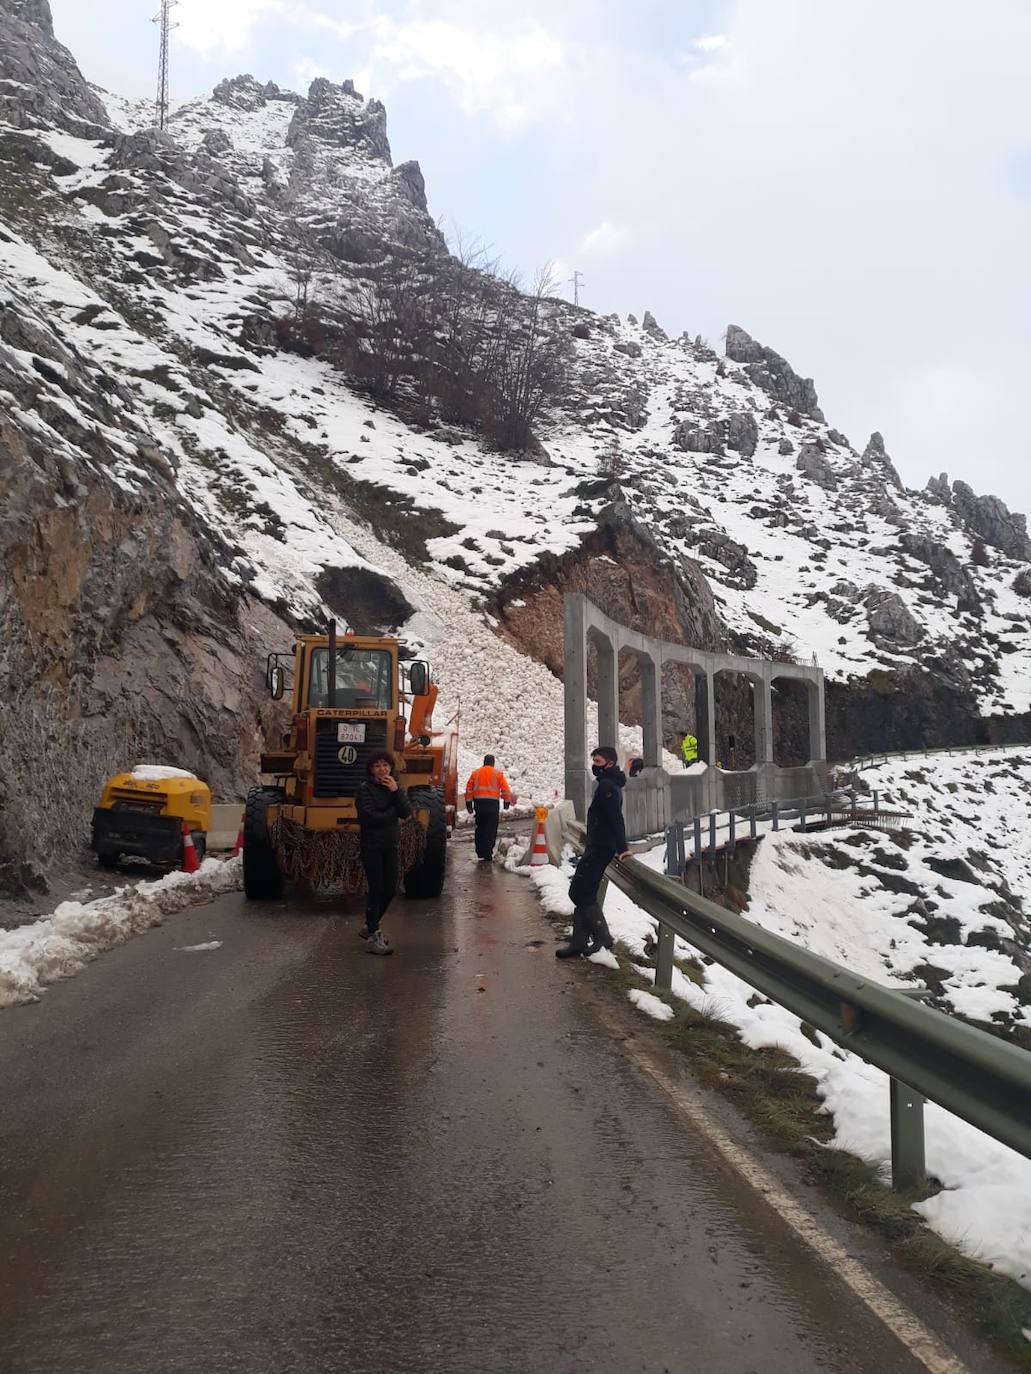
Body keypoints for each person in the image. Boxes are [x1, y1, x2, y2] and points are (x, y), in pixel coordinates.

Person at [557, 746, 632, 959]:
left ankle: (603, 936)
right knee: (584, 893)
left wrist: (623, 848)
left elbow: (616, 819)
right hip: (598, 845)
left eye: (597, 762)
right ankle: (579, 943)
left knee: (578, 892)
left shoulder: (607, 787)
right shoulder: (610, 784)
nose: (594, 766)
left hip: (600, 847)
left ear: (609, 763)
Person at [356, 751, 411, 955]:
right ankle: (373, 935)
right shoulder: (364, 790)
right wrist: (393, 813)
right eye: (377, 766)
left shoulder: (395, 788)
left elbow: (406, 812)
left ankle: (371, 924)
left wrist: (396, 792)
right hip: (371, 845)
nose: (382, 769)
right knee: (377, 887)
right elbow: (369, 816)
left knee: (391, 887)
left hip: (390, 844)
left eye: (385, 765)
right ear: (371, 770)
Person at [464, 754, 514, 863]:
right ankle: (487, 853)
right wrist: (506, 802)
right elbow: (505, 789)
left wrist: (469, 804)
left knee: (480, 828)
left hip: (479, 804)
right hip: (492, 805)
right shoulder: (498, 774)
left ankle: (480, 851)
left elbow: (468, 789)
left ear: (484, 762)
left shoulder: (475, 773)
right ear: (493, 763)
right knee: (491, 829)